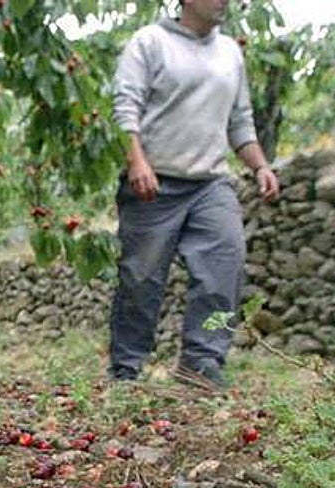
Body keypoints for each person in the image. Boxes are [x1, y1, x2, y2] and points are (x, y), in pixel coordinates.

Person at [109, 0, 279, 388]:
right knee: (142, 278)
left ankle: (201, 364)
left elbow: (240, 122)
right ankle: (126, 369)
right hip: (154, 181)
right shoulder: (149, 42)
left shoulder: (230, 52)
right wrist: (137, 162)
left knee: (225, 263)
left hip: (210, 183)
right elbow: (125, 108)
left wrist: (260, 166)